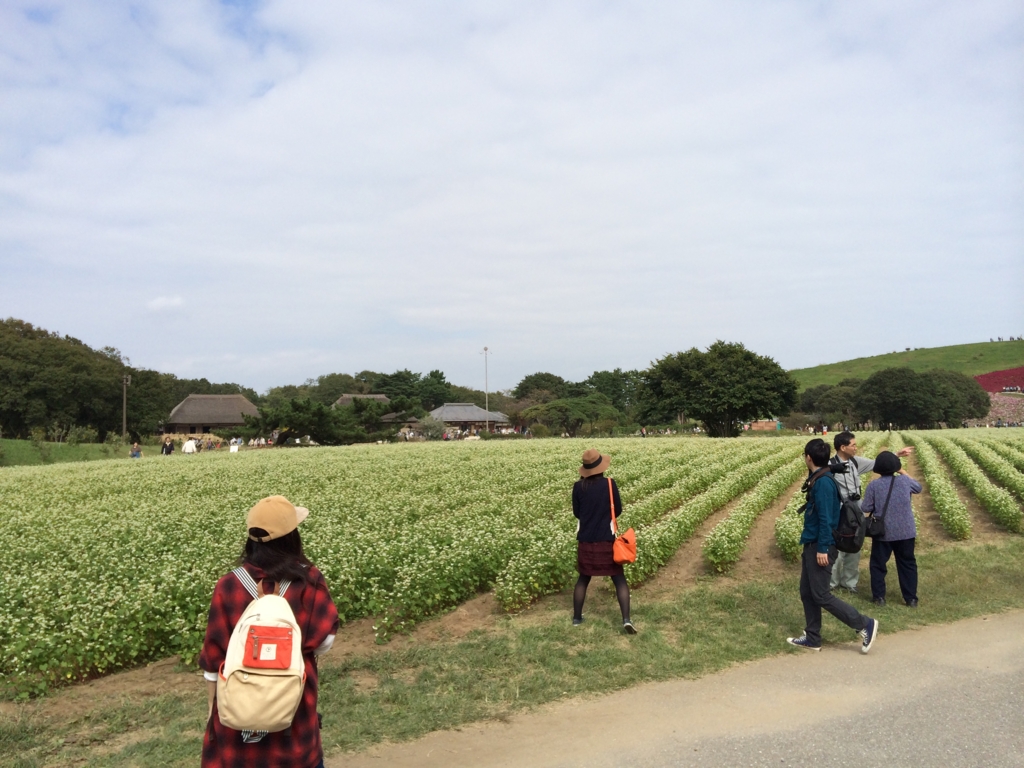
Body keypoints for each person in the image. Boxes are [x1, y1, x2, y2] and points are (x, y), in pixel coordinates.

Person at [199, 495, 339, 768]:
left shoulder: (228, 585)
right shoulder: (308, 579)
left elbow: (211, 666)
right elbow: (325, 642)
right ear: (291, 538)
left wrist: (211, 712)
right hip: (293, 725)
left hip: (237, 732)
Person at [787, 438, 878, 653]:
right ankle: (812, 637)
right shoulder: (819, 477)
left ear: (808, 457)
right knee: (807, 592)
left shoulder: (824, 484)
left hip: (821, 545)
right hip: (812, 542)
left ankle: (864, 624)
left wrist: (822, 548)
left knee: (821, 594)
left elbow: (827, 519)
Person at [828, 432, 912, 594]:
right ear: (842, 447)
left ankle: (849, 582)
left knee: (855, 543)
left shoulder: (855, 461)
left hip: (856, 508)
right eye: (853, 445)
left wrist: (896, 455)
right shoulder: (830, 465)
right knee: (837, 545)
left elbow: (877, 464)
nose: (856, 447)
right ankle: (832, 583)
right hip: (839, 510)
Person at [571, 449, 637, 634]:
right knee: (619, 579)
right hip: (607, 541)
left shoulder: (578, 487)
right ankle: (626, 619)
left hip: (585, 540)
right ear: (601, 467)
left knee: (583, 578)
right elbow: (618, 509)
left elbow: (577, 513)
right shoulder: (609, 484)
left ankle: (577, 618)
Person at [862, 451, 922, 607]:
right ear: (896, 467)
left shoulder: (874, 485)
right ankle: (911, 598)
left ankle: (879, 597)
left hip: (884, 532)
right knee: (907, 563)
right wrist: (901, 470)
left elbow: (866, 507)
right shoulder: (905, 481)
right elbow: (918, 487)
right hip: (906, 531)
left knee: (878, 564)